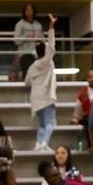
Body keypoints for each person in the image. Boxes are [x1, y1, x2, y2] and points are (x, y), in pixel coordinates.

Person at [25, 16, 59, 153]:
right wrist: (51, 27)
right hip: (46, 96)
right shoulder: (47, 61)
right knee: (50, 122)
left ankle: (38, 144)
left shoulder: (32, 66)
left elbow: (27, 82)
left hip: (35, 98)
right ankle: (44, 143)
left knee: (42, 124)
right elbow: (51, 45)